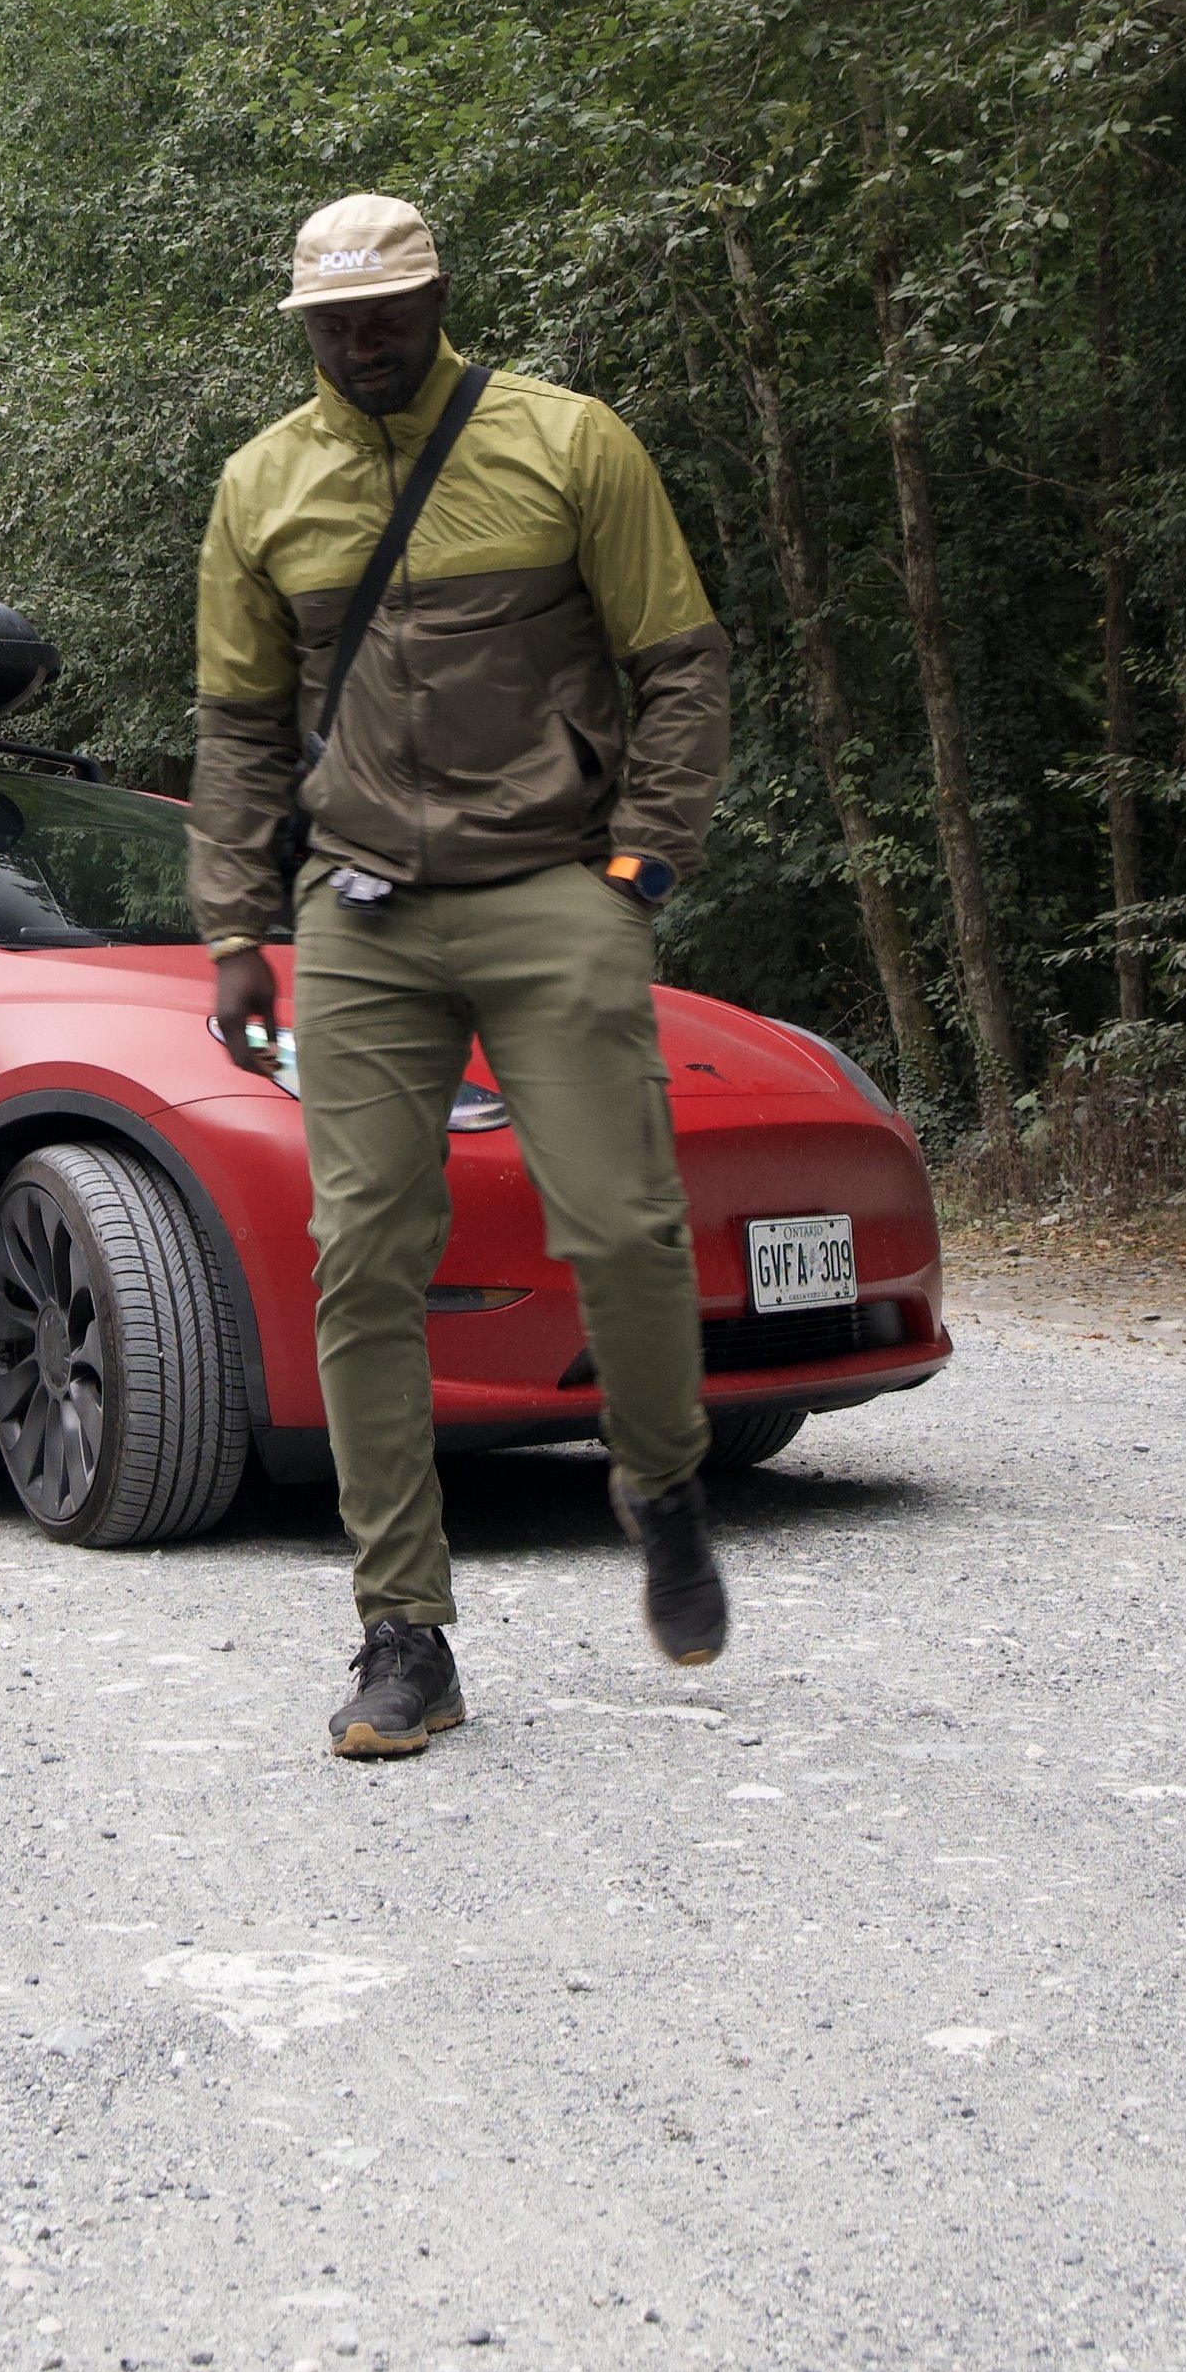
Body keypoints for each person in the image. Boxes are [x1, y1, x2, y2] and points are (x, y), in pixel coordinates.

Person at [190, 192, 735, 1759]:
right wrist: (237, 921)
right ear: (300, 326)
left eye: (388, 311)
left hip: (553, 881)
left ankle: (661, 1474)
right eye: (333, 321)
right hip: (358, 907)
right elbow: (235, 725)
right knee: (363, 1250)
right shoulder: (263, 484)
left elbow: (680, 662)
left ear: (437, 298)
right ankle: (402, 1630)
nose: (363, 341)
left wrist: (641, 861)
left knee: (622, 1224)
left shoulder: (567, 443)